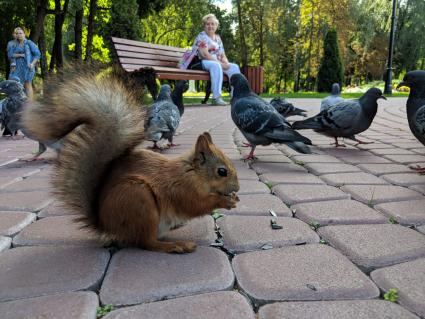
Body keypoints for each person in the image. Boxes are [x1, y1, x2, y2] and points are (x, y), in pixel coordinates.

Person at [193, 13, 240, 106]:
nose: (210, 26)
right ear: (204, 26)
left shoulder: (218, 38)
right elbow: (205, 54)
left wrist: (226, 63)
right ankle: (216, 98)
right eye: (207, 24)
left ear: (216, 26)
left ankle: (236, 96)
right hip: (201, 62)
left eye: (212, 24)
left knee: (234, 67)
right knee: (216, 65)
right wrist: (221, 64)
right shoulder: (202, 36)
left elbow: (222, 54)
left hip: (216, 63)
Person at [7, 27, 41, 100]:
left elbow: (37, 54)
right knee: (15, 85)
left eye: (20, 33)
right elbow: (10, 55)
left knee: (27, 84)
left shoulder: (29, 43)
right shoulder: (13, 44)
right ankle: (18, 103)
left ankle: (29, 105)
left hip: (28, 66)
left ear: (24, 34)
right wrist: (20, 55)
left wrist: (32, 63)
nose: (19, 35)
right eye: (17, 33)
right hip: (17, 68)